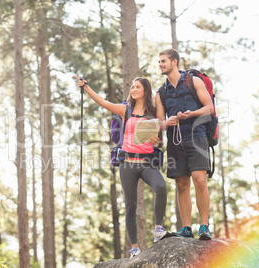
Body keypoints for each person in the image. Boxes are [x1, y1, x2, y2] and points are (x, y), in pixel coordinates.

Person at [75, 75, 167, 258]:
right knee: (130, 206)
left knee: (161, 186)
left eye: (137, 87)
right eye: (132, 87)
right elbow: (103, 102)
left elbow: (159, 141)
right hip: (127, 165)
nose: (133, 89)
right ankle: (134, 248)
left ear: (145, 90)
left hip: (147, 163)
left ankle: (158, 229)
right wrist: (86, 88)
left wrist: (157, 141)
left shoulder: (153, 113)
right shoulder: (126, 109)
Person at [155, 48, 213, 240]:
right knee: (181, 184)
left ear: (174, 62)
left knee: (200, 180)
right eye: (159, 62)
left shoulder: (192, 81)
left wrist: (192, 113)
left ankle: (204, 226)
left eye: (163, 61)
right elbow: (159, 122)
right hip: (175, 140)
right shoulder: (161, 93)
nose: (160, 65)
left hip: (197, 136)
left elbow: (208, 108)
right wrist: (167, 122)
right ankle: (186, 228)